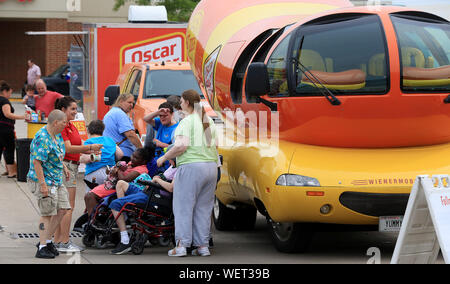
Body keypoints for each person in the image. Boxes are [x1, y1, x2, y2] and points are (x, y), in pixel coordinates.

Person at [157, 89, 218, 257]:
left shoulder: (186, 121)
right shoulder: (207, 121)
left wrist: (164, 158)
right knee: (203, 208)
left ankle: (182, 246)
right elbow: (215, 144)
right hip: (211, 166)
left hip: (191, 167)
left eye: (181, 102)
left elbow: (181, 146)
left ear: (187, 103)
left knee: (183, 207)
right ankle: (202, 246)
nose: (180, 105)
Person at [53, 96, 103, 253]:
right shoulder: (62, 127)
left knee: (63, 206)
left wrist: (91, 152)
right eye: (72, 109)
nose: (75, 112)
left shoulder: (71, 126)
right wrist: (90, 148)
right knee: (68, 206)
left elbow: (78, 148)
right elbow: (67, 149)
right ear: (63, 110)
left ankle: (58, 241)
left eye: (76, 109)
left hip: (71, 167)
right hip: (66, 168)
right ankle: (64, 242)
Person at [110, 155, 176, 255]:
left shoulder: (179, 169)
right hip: (150, 191)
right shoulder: (172, 166)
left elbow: (171, 188)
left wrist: (157, 180)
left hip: (155, 198)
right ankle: (125, 216)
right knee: (121, 183)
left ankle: (125, 240)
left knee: (114, 204)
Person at [27, 110, 71, 259]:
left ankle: (47, 240)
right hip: (44, 180)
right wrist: (43, 185)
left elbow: (57, 155)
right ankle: (42, 247)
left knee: (63, 209)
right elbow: (37, 162)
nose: (66, 124)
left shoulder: (56, 135)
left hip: (56, 179)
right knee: (47, 214)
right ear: (55, 123)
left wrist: (64, 167)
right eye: (64, 122)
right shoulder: (42, 138)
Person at [84, 147, 150, 216]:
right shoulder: (132, 164)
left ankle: (93, 220)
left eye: (136, 158)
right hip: (113, 185)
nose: (132, 158)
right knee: (88, 196)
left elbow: (124, 179)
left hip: (119, 189)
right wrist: (112, 170)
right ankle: (96, 217)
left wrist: (118, 169)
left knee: (89, 196)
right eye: (133, 155)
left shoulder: (141, 169)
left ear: (143, 161)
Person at [80, 120, 123, 192]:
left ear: (89, 130)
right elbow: (120, 154)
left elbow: (85, 159)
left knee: (91, 197)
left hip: (94, 173)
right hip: (110, 173)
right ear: (102, 130)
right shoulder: (110, 140)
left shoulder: (88, 142)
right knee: (108, 196)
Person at [103, 93, 142, 161]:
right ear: (121, 101)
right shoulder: (119, 114)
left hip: (112, 153)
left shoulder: (112, 112)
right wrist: (141, 150)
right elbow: (130, 134)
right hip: (123, 154)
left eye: (133, 103)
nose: (131, 105)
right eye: (129, 102)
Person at [143, 102, 178, 175]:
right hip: (157, 159)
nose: (162, 118)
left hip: (167, 162)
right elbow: (146, 119)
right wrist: (158, 112)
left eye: (165, 115)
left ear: (172, 114)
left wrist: (161, 144)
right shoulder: (160, 123)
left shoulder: (177, 128)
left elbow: (178, 148)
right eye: (160, 116)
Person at [0, 81, 25, 178]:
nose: (10, 95)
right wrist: (22, 117)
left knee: (1, 149)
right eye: (10, 92)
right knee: (9, 149)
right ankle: (12, 172)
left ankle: (10, 170)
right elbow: (7, 114)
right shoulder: (4, 101)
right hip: (5, 129)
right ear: (5, 91)